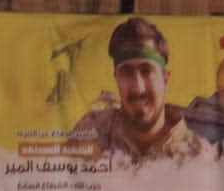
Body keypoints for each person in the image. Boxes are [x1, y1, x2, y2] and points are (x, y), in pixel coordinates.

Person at [71, 16, 209, 163]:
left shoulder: (198, 157)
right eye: (126, 72)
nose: (138, 88)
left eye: (146, 71)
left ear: (165, 79)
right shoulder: (92, 130)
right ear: (116, 78)